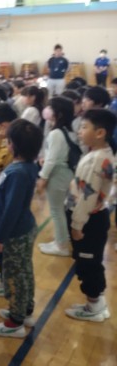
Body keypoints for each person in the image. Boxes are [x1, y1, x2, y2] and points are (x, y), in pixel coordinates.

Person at [0, 119, 43, 338]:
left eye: (8, 140)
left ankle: (15, 322)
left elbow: (12, 209)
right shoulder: (25, 166)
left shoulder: (18, 172)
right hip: (22, 228)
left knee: (14, 275)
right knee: (24, 271)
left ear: (14, 145)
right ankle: (24, 309)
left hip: (15, 233)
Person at [64, 109, 114, 322]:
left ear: (100, 133)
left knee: (88, 263)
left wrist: (77, 225)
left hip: (88, 221)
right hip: (91, 219)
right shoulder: (99, 153)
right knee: (88, 261)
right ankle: (94, 303)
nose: (80, 131)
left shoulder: (96, 160)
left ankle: (95, 306)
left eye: (84, 127)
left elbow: (86, 197)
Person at [36, 97, 77, 257]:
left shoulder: (56, 133)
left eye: (50, 107)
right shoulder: (67, 130)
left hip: (57, 174)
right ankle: (61, 239)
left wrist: (43, 178)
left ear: (58, 113)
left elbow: (52, 160)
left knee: (56, 210)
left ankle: (61, 246)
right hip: (66, 172)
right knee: (60, 209)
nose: (46, 110)